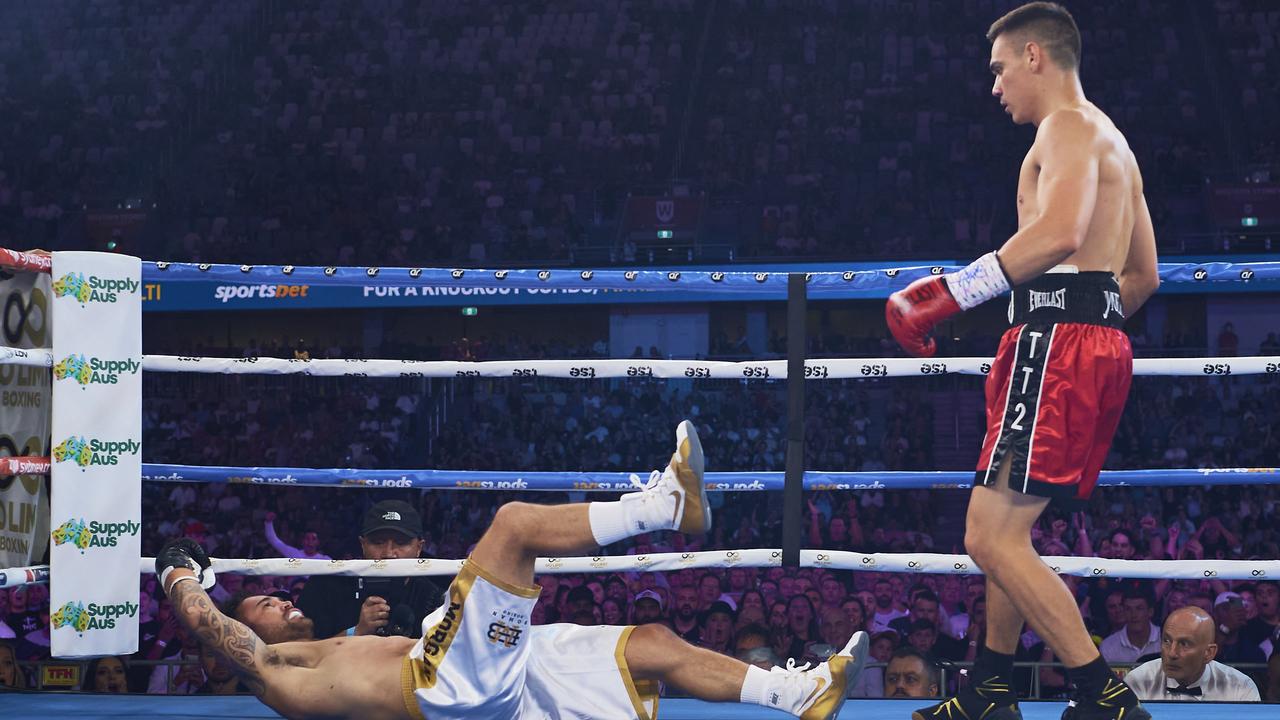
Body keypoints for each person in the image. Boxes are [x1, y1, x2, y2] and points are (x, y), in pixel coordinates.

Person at [158, 421, 869, 720]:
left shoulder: (316, 640)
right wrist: (179, 570)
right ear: (238, 635)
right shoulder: (271, 672)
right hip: (442, 687)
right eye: (259, 606)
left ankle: (797, 694)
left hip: (476, 682)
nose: (277, 602)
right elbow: (201, 622)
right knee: (513, 525)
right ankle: (663, 505)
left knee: (651, 642)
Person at [886, 4, 1160, 719]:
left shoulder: (1066, 127)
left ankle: (1105, 696)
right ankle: (991, 690)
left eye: (1001, 68)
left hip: (1057, 345)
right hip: (1086, 341)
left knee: (986, 534)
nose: (996, 85)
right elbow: (1143, 278)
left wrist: (952, 294)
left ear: (1035, 56)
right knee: (1009, 536)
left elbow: (1060, 233)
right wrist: (1086, 331)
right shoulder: (1114, 140)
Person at [295, 499, 444, 639]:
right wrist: (355, 632)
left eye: (400, 543)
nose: (389, 554)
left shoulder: (432, 597)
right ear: (363, 544)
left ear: (419, 548)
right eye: (378, 542)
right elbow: (298, 651)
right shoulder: (325, 586)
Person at [1123, 607, 1260, 701]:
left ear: (1208, 653)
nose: (1172, 653)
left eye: (1184, 644)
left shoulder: (1240, 687)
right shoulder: (1138, 681)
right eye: (1167, 641)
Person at [1098, 588, 1160, 664]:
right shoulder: (1107, 646)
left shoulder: (1166, 639)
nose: (1134, 615)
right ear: (1123, 612)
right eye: (1128, 609)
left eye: (1139, 609)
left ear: (1150, 612)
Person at [263, 513, 331, 560]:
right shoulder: (295, 554)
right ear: (302, 542)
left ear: (318, 542)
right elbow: (275, 541)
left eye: (313, 539)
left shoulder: (324, 559)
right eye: (307, 539)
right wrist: (268, 523)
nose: (310, 542)